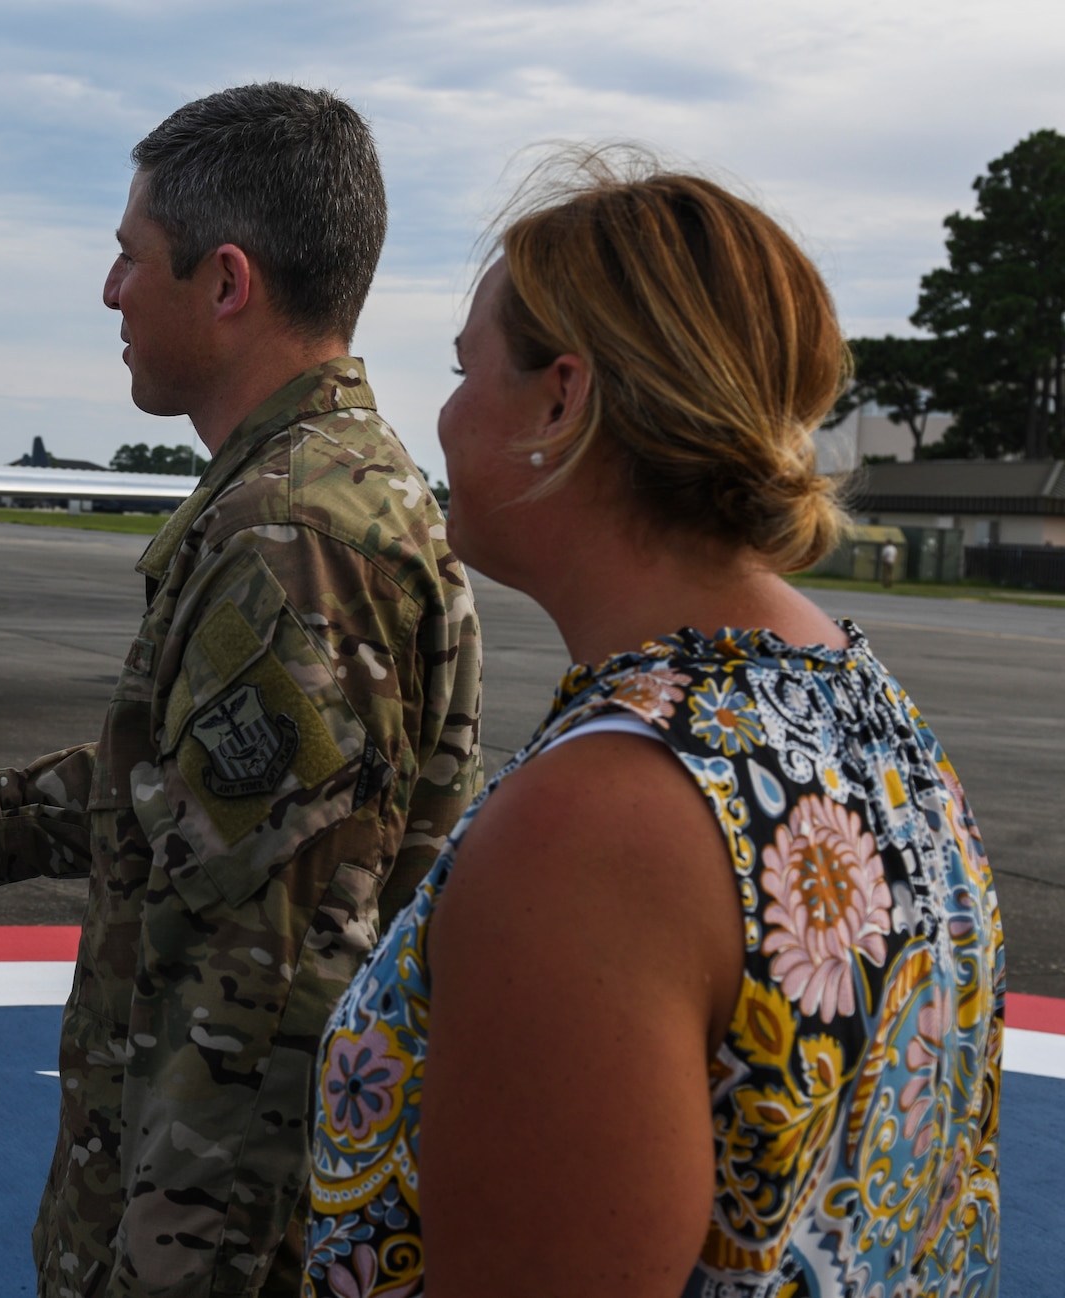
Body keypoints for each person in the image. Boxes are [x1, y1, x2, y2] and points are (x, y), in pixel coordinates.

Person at [0, 84, 484, 1296]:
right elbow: (186, 796)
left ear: (224, 282)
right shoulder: (319, 493)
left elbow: (260, 981)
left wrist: (169, 1267)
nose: (109, 292)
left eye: (130, 259)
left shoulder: (288, 540)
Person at [305, 154, 1002, 1297]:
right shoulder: (867, 711)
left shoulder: (598, 821)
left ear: (558, 399)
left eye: (459, 369)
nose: (436, 415)